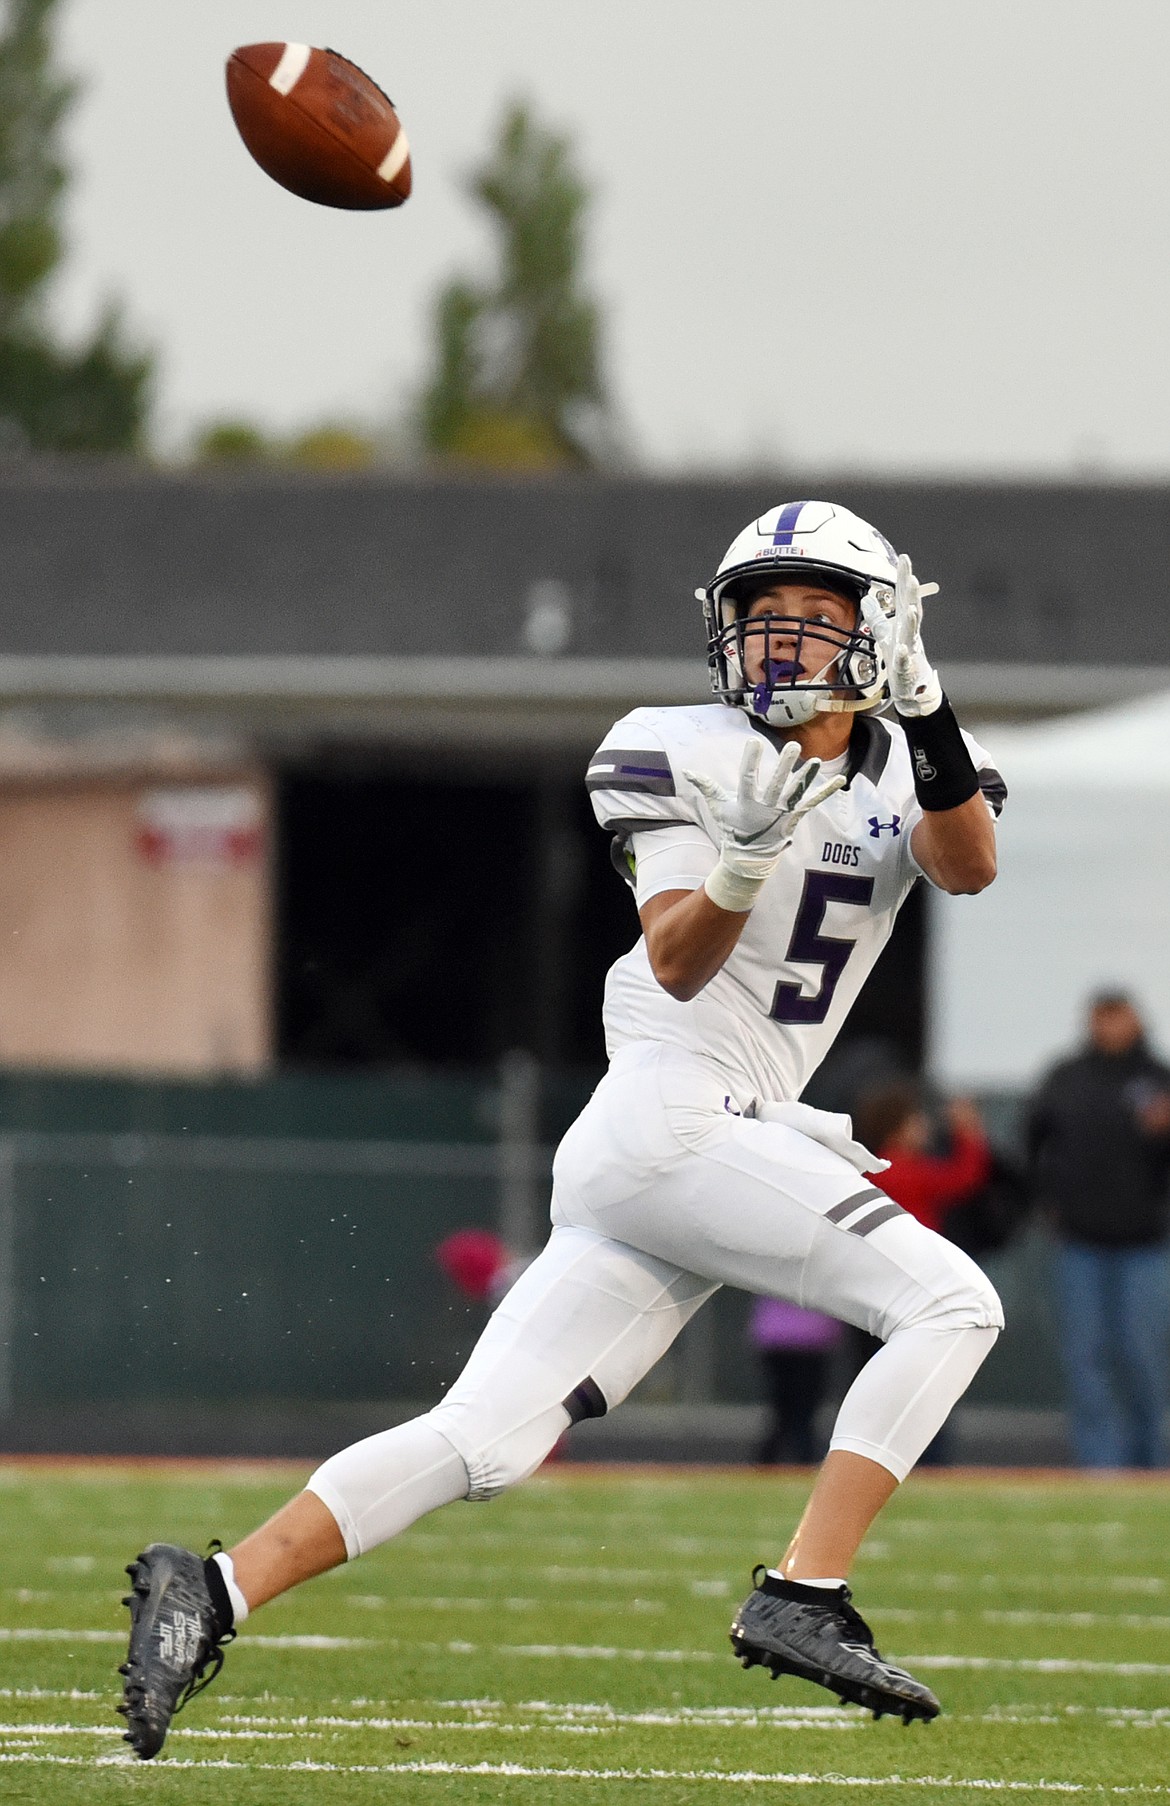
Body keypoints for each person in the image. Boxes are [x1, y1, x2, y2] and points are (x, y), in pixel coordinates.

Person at [117, 499, 1007, 1757]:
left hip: (700, 1136)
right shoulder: (674, 747)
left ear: (880, 632)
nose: (782, 645)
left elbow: (966, 863)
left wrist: (928, 710)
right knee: (955, 1304)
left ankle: (207, 1593)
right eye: (762, 620)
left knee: (484, 1440)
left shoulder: (908, 762)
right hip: (671, 1121)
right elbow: (684, 963)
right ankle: (804, 1595)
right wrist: (744, 864)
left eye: (814, 620)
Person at [1027, 991, 1170, 1468]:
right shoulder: (1067, 1077)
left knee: (1142, 1357)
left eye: (1118, 1018)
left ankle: (1151, 1464)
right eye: (1101, 1019)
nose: (1109, 1029)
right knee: (1086, 1359)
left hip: (1144, 1243)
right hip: (1080, 1243)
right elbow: (1033, 1139)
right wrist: (1049, 1201)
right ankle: (1100, 1466)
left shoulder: (1157, 1079)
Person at [748, 1295, 842, 1465]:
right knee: (799, 1412)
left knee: (787, 1410)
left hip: (779, 1336)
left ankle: (770, 1462)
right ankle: (802, 1460)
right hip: (808, 1338)